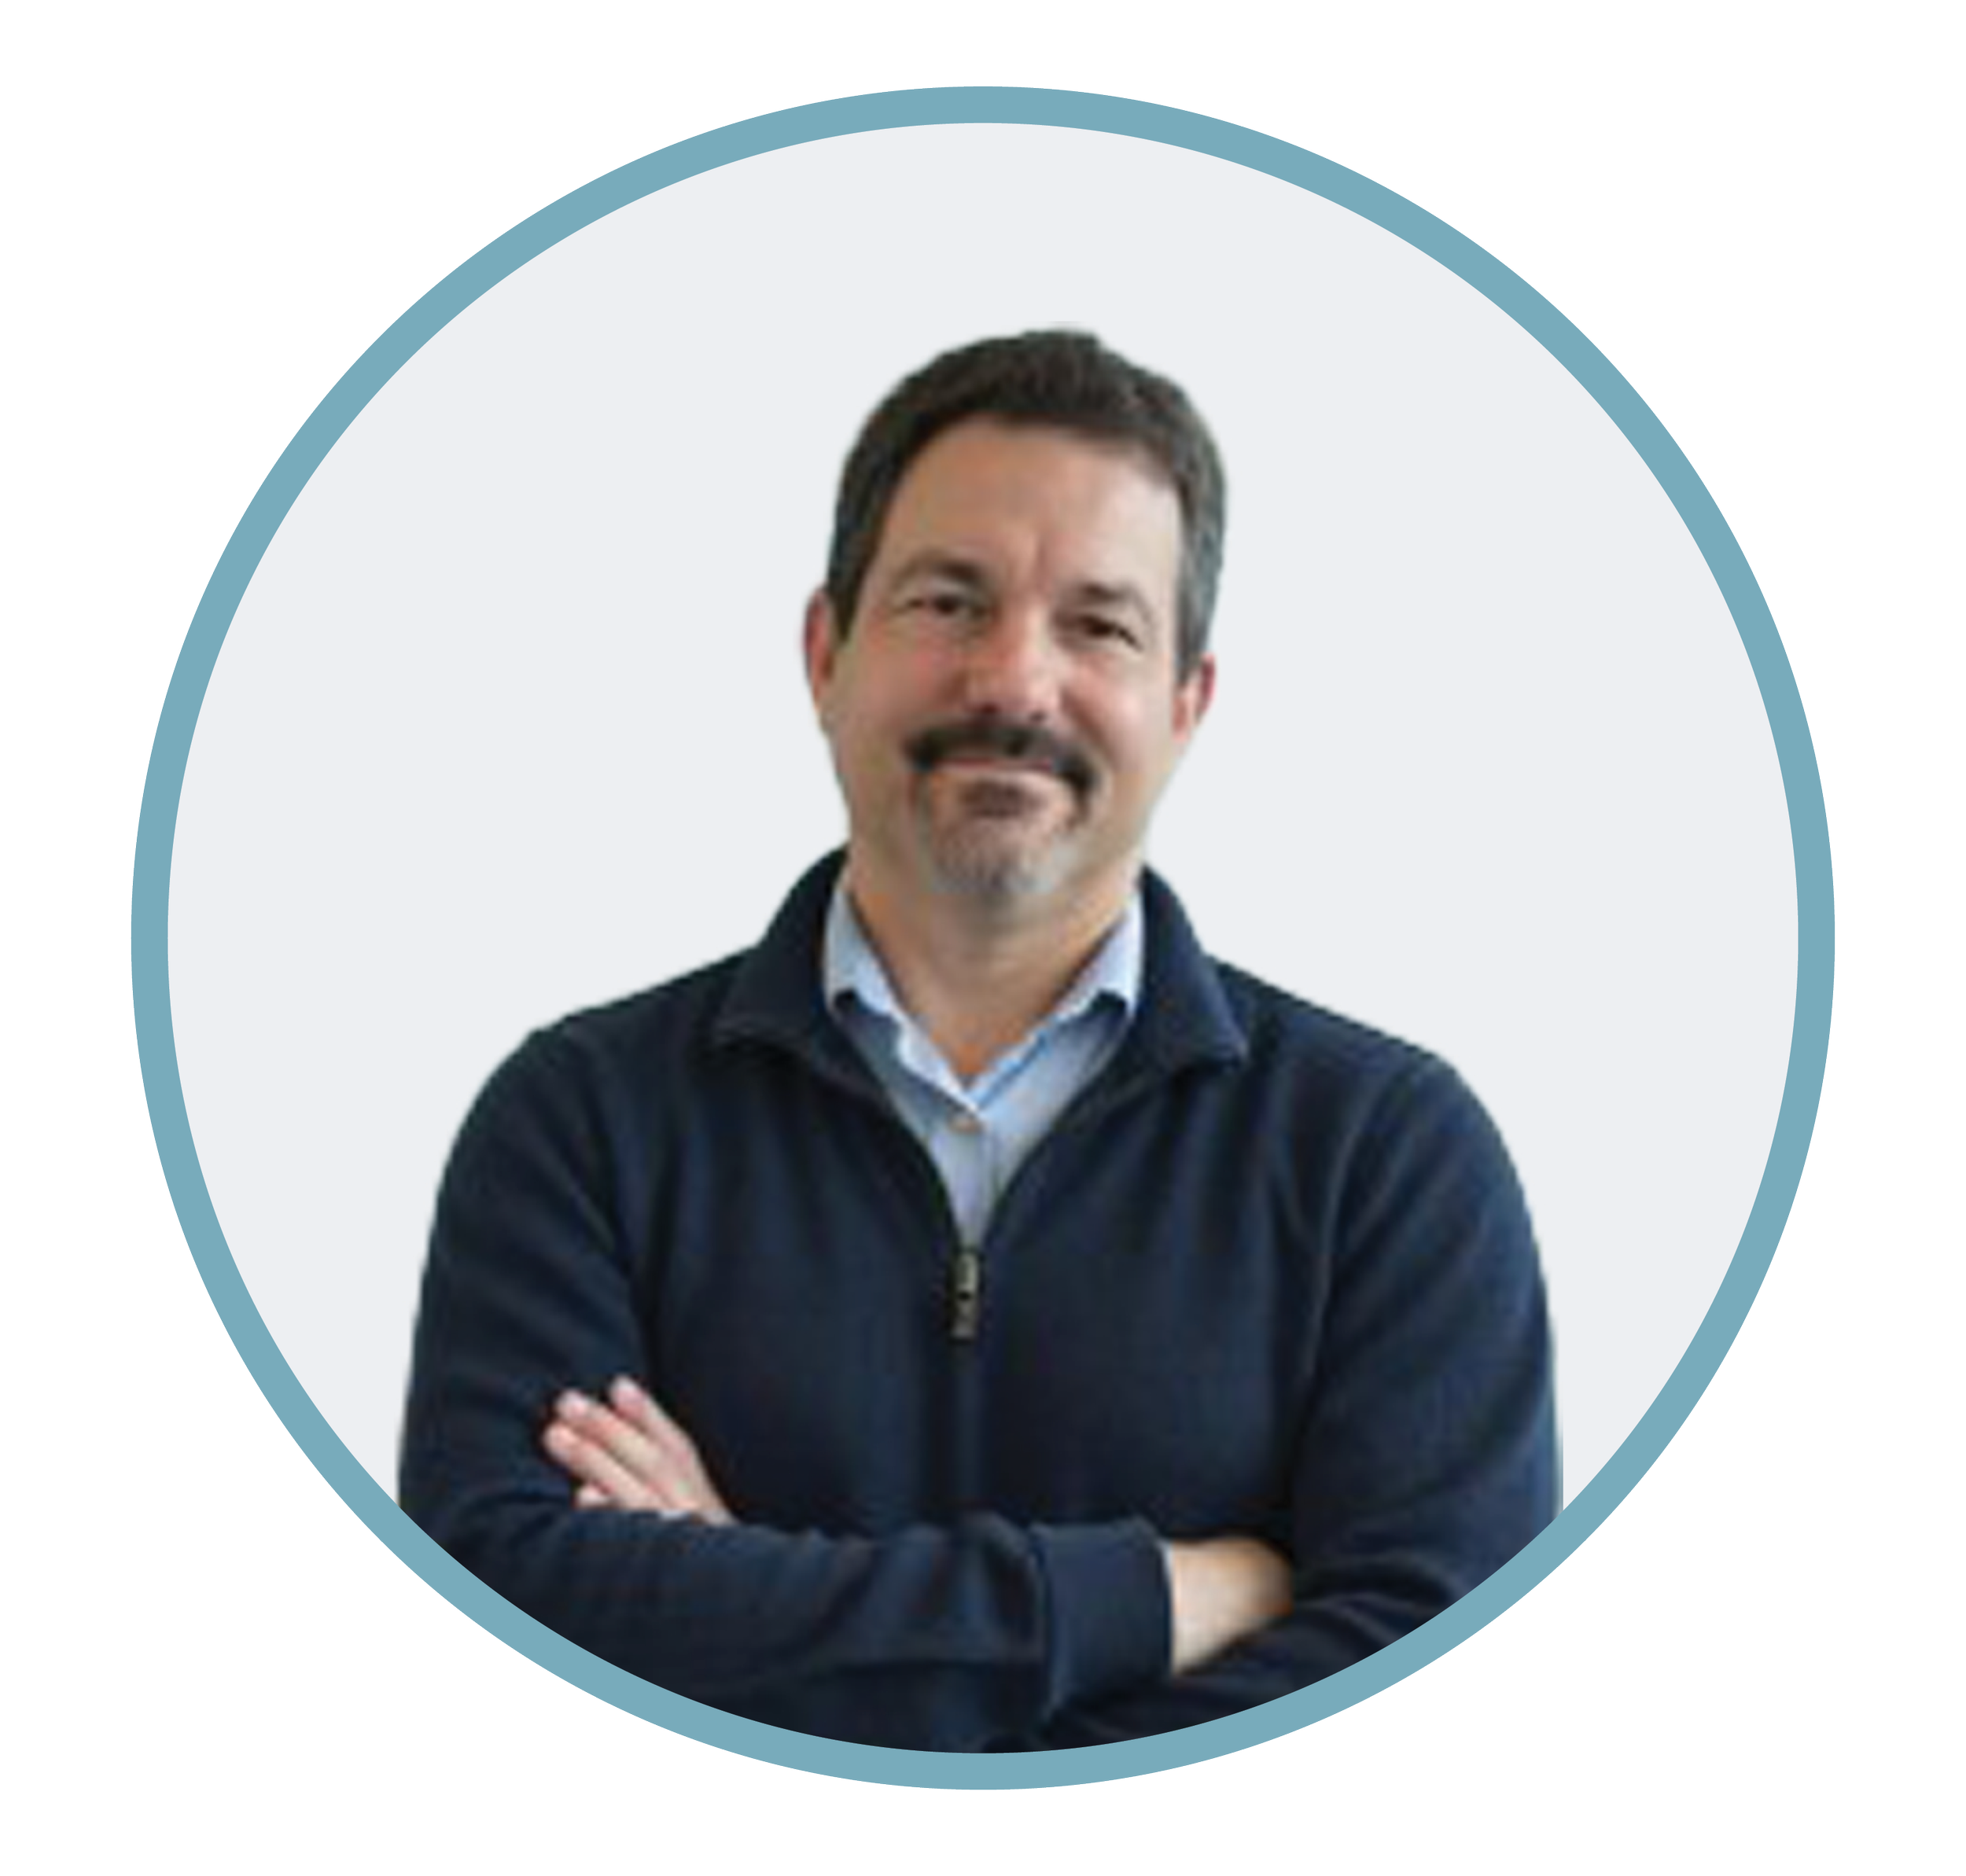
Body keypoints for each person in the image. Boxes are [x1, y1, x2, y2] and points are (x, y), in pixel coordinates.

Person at [399, 330, 1558, 1753]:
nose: (1015, 680)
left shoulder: (1386, 1153)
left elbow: (1418, 1689)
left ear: (1186, 705)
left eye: (1099, 626)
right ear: (826, 654)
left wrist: (742, 1616)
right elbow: (508, 1609)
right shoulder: (578, 1123)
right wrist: (1149, 1598)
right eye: (951, 601)